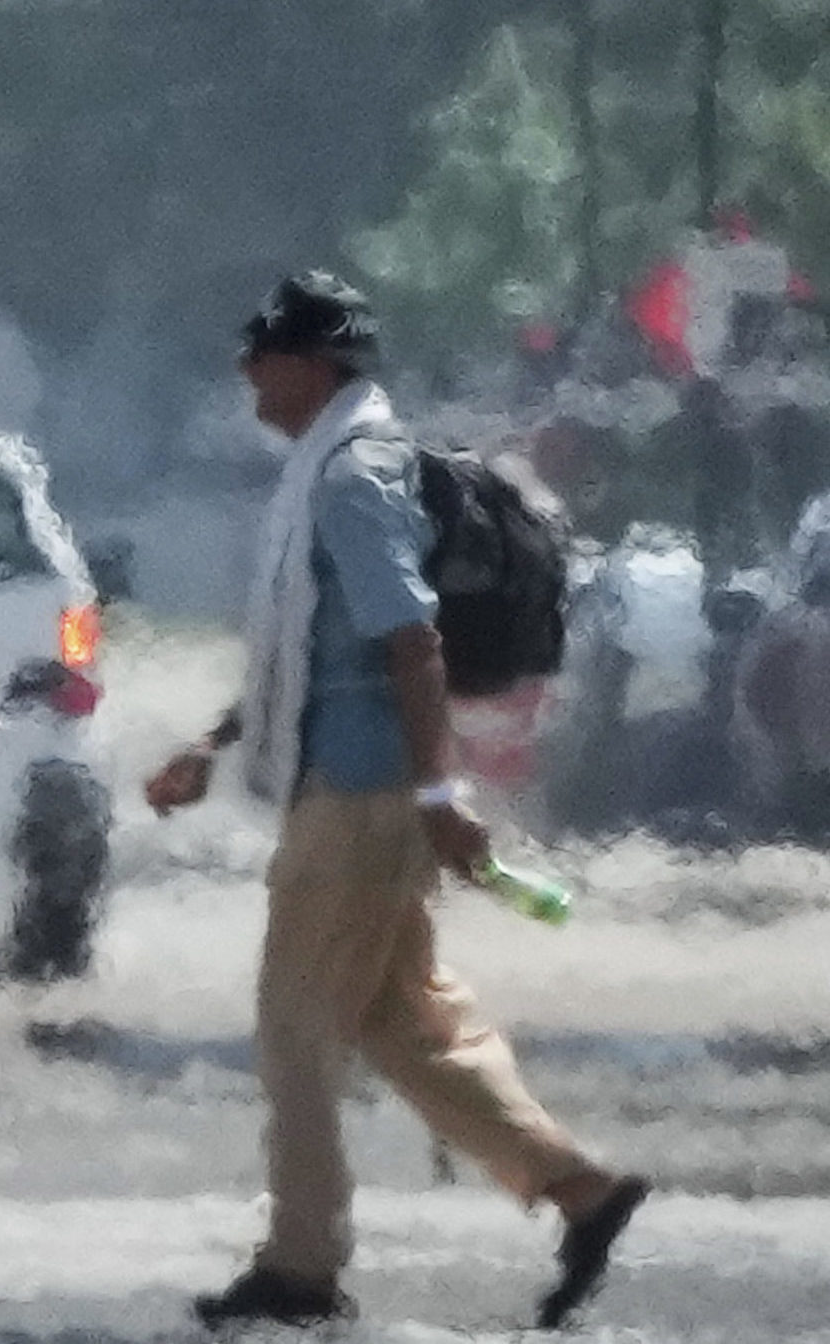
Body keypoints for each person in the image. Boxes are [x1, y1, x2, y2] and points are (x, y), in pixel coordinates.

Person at [144, 272, 650, 1332]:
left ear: (314, 362)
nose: (246, 369)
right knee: (406, 1022)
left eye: (263, 350)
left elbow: (409, 641)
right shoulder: (322, 469)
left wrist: (436, 792)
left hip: (362, 794)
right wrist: (214, 740)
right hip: (353, 782)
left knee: (294, 1028)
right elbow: (311, 652)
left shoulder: (350, 478)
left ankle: (300, 1268)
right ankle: (581, 1193)